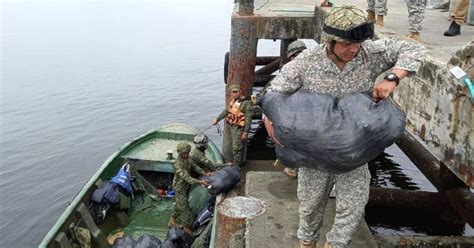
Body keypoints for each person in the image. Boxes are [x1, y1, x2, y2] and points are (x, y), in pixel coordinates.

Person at [263, 6, 426, 248]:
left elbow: (414, 48)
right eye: (347, 44)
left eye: (358, 43)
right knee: (309, 206)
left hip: (354, 152)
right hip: (314, 153)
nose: (354, 49)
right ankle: (307, 243)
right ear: (330, 41)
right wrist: (271, 121)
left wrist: (393, 77)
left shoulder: (369, 53)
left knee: (354, 205)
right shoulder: (307, 62)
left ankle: (335, 245)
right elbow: (274, 91)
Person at [169, 142, 212, 234]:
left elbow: (195, 167)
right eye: (184, 153)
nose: (186, 155)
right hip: (180, 188)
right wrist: (200, 182)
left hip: (186, 186)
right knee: (185, 210)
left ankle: (172, 220)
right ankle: (186, 227)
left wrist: (204, 173)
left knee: (180, 204)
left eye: (187, 153)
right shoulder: (178, 164)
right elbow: (187, 178)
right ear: (180, 153)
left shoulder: (188, 158)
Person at [213, 84, 252, 166]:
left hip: (239, 129)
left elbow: (248, 118)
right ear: (231, 93)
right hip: (232, 127)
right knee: (236, 146)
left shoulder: (246, 103)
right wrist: (217, 119)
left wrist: (246, 132)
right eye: (233, 92)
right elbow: (226, 112)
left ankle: (237, 166)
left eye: (236, 92)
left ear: (240, 92)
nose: (235, 94)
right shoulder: (233, 102)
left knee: (237, 148)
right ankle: (238, 162)